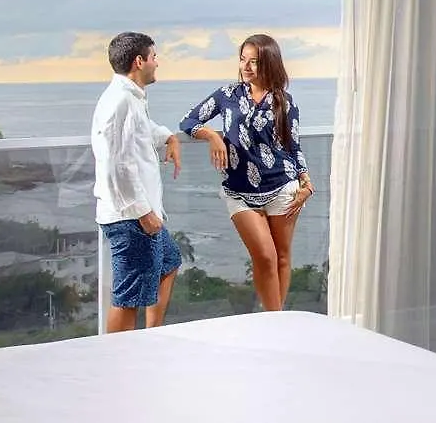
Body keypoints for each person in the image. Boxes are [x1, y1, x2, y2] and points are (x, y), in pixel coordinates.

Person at [180, 34, 313, 312]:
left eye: (255, 61)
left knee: (282, 257)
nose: (247, 67)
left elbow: (294, 147)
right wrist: (213, 136)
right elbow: (189, 120)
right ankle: (275, 321)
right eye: (243, 60)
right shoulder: (227, 95)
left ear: (270, 63)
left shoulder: (285, 102)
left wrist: (306, 182)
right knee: (265, 257)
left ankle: (274, 320)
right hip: (239, 191)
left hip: (283, 188)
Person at [92, 31, 183, 333]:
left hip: (138, 214)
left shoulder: (130, 98)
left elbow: (141, 132)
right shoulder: (121, 102)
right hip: (131, 217)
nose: (157, 63)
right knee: (127, 297)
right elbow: (117, 164)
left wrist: (168, 137)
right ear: (139, 61)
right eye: (154, 57)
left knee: (169, 261)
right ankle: (118, 356)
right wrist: (143, 212)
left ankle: (151, 336)